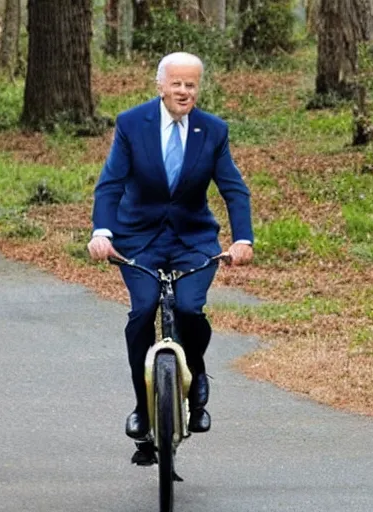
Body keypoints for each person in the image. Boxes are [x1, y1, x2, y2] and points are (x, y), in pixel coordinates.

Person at [87, 52, 253, 464]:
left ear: (199, 88)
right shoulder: (131, 124)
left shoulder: (212, 130)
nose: (184, 91)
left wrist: (243, 239)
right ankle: (144, 411)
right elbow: (111, 185)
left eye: (191, 84)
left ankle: (195, 378)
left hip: (193, 239)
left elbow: (233, 188)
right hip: (139, 237)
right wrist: (102, 233)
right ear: (160, 85)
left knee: (190, 309)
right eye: (176, 83)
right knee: (143, 312)